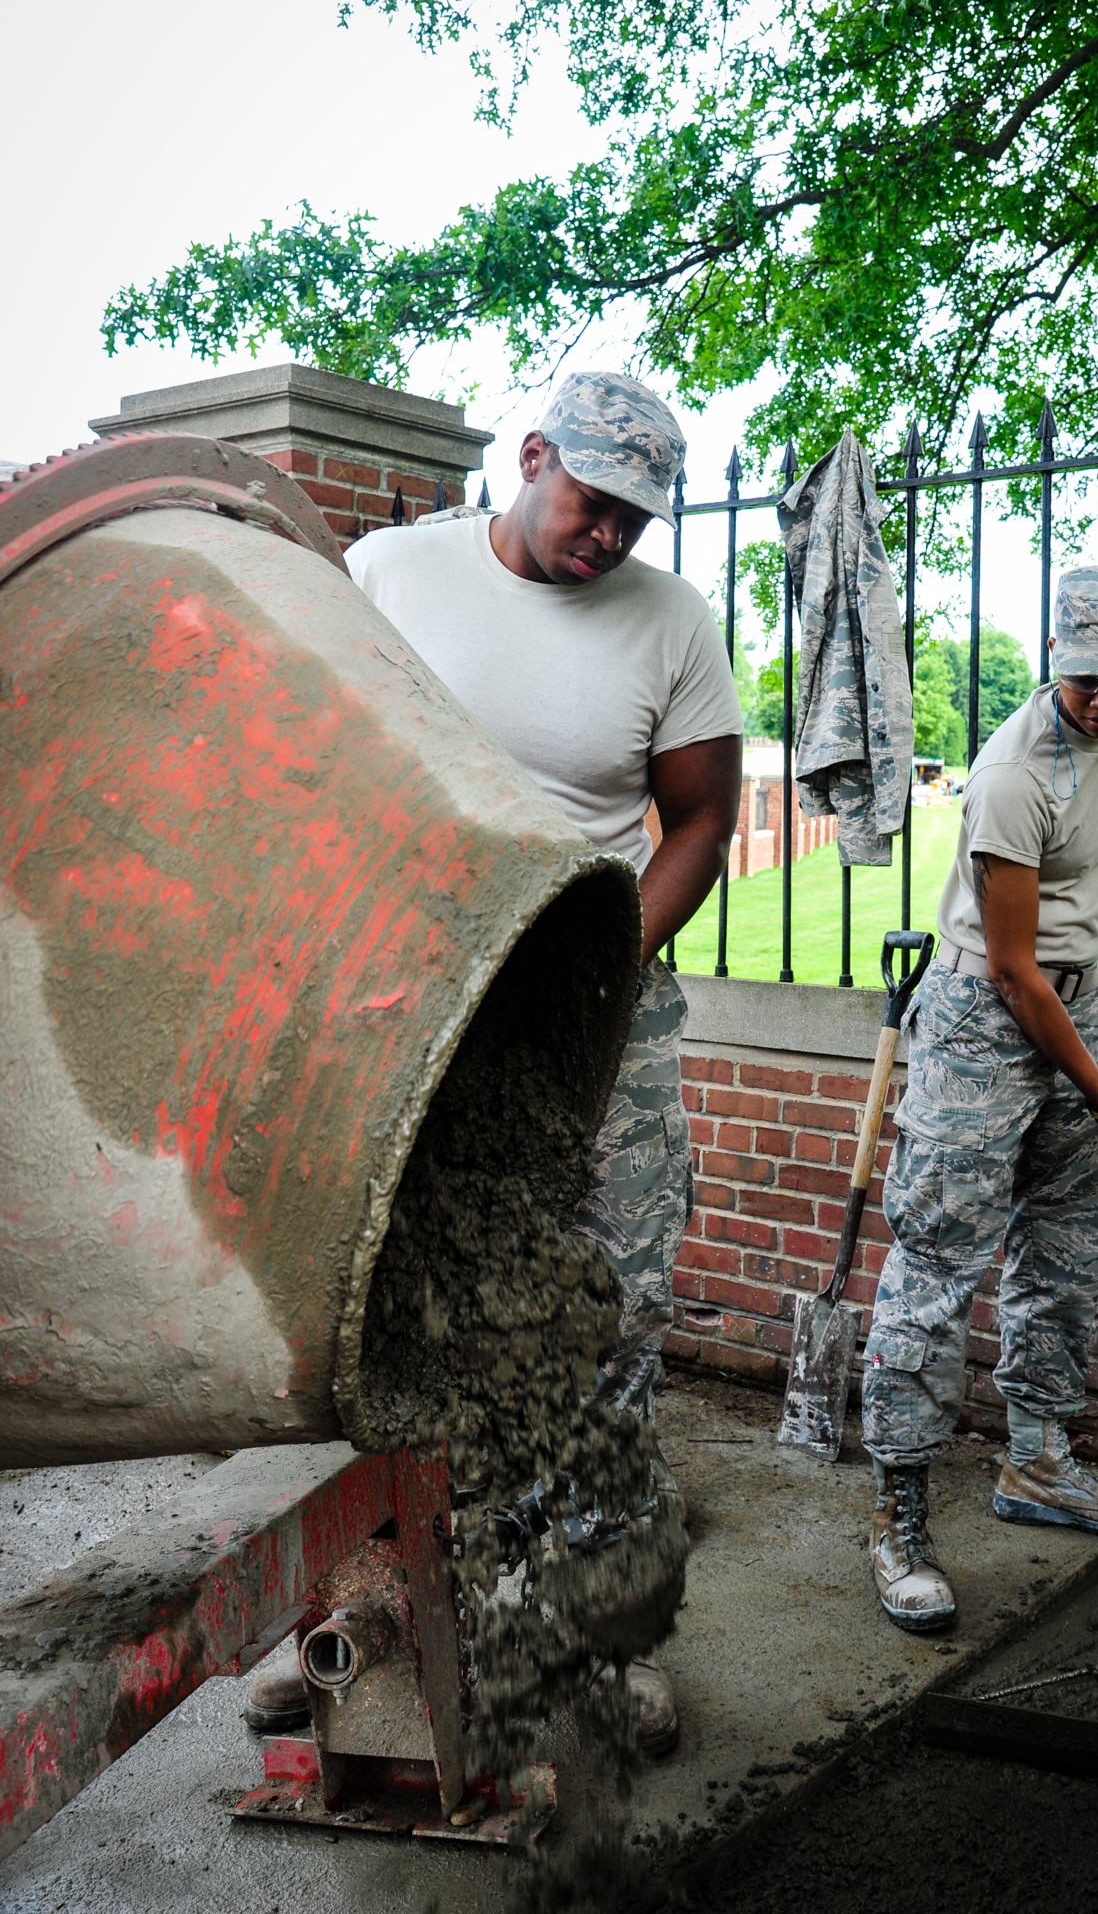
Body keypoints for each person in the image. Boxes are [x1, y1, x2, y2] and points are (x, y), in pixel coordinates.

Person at [243, 372, 742, 1747]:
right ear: (528, 460)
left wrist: (602, 966)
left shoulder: (670, 623)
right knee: (388, 1320)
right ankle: (376, 1633)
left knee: (610, 1313)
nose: (610, 541)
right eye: (592, 505)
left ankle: (597, 1638)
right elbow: (307, 750)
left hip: (597, 1013)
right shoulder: (391, 572)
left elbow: (698, 820)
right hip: (413, 1010)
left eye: (637, 521)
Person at [862, 564, 1098, 1632]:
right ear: (1055, 661)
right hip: (984, 1019)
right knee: (937, 1259)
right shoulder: (1008, 775)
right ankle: (895, 1509)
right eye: (1084, 679)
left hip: (1075, 999)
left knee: (1063, 1239)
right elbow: (1011, 970)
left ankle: (1037, 1459)